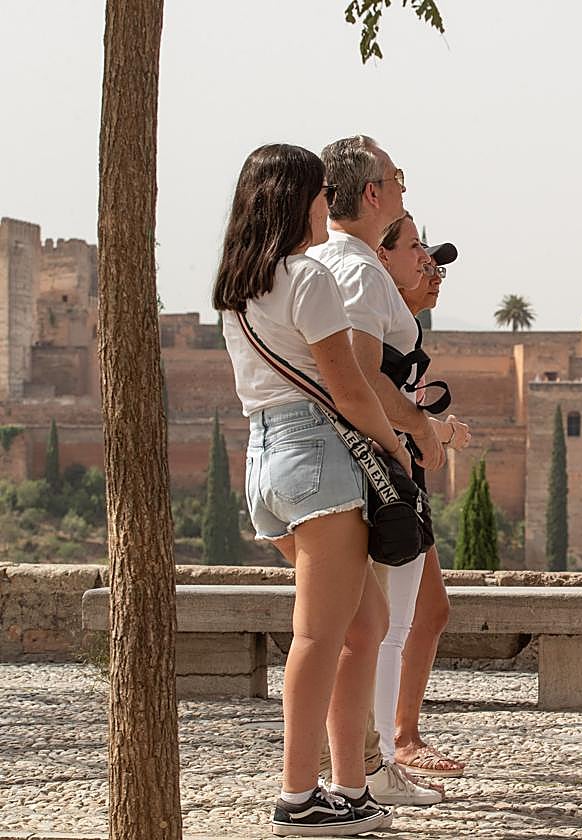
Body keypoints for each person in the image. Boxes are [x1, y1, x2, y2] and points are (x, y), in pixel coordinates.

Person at [213, 143, 396, 836]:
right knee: (319, 634)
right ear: (296, 200)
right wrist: (393, 454)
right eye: (322, 192)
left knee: (363, 624)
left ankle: (348, 787)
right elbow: (348, 386)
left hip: (266, 461)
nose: (330, 204)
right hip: (316, 454)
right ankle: (299, 795)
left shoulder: (238, 287)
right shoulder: (308, 278)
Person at [307, 135, 446, 806]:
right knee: (380, 626)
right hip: (376, 460)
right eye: (395, 177)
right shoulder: (358, 268)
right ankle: (376, 765)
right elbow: (362, 374)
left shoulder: (319, 264)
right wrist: (418, 433)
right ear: (371, 194)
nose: (402, 186)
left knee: (354, 628)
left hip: (329, 458)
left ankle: (356, 767)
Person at [373, 226, 471, 777]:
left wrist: (433, 430)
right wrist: (435, 433)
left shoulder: (405, 334)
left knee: (426, 612)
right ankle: (392, 743)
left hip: (405, 478)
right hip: (389, 479)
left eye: (437, 266)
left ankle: (397, 735)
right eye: (424, 261)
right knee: (401, 617)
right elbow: (369, 398)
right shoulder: (380, 332)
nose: (434, 275)